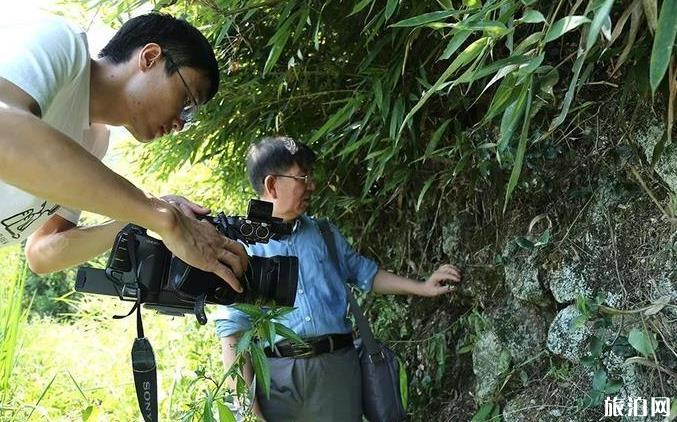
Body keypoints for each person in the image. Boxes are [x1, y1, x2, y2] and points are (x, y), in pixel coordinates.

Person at [214, 136, 462, 421]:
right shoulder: (241, 248)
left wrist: (422, 287)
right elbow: (233, 336)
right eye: (303, 177)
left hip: (338, 371)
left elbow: (365, 274)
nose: (312, 185)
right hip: (278, 381)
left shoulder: (324, 233)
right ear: (272, 185)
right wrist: (248, 413)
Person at [0, 12, 247, 290]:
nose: (180, 123)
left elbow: (43, 253)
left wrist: (141, 218)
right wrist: (163, 217)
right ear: (150, 57)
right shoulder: (60, 41)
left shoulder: (93, 141)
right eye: (187, 102)